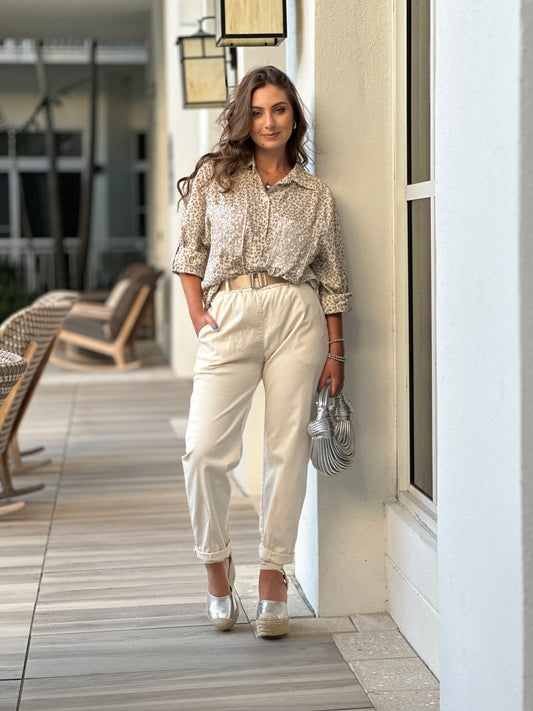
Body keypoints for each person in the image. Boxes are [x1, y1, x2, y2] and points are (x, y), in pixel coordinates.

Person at [172, 65, 351, 638]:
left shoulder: (316, 194)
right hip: (231, 313)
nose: (268, 121)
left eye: (278, 109)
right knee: (203, 451)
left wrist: (337, 351)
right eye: (256, 110)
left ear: (294, 115)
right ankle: (216, 566)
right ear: (242, 117)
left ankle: (273, 573)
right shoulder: (214, 178)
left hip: (297, 318)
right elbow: (189, 253)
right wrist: (200, 314)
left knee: (285, 451)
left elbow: (332, 278)